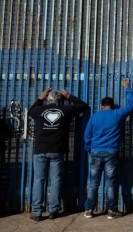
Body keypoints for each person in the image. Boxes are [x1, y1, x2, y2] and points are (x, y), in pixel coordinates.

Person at [28, 88, 88, 221]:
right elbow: (83, 105)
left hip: (40, 149)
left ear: (48, 99)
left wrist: (40, 98)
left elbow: (30, 111)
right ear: (60, 100)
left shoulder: (39, 110)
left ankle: (37, 212)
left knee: (39, 180)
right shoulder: (65, 110)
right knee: (56, 180)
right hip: (57, 149)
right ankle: (53, 210)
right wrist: (69, 96)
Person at [83, 78, 133, 220]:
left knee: (93, 182)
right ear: (112, 106)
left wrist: (89, 148)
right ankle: (111, 211)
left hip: (95, 152)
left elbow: (87, 135)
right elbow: (132, 104)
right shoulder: (117, 114)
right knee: (110, 182)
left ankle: (89, 210)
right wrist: (127, 88)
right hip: (111, 152)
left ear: (101, 106)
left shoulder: (94, 117)